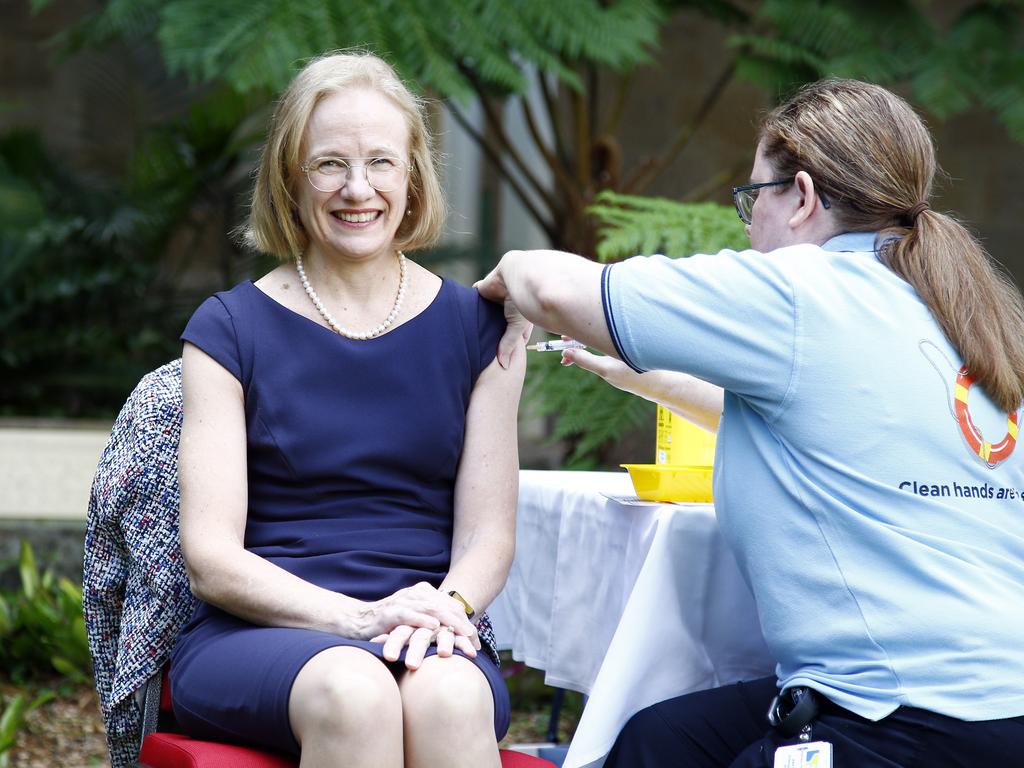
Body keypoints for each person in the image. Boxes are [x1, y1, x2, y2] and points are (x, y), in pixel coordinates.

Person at [478, 79, 1024, 766]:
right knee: (659, 742)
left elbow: (558, 290)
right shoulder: (960, 318)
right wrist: (637, 373)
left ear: (800, 197)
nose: (748, 223)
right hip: (1001, 701)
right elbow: (820, 427)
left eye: (750, 199)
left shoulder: (801, 289)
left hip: (893, 717)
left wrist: (507, 270)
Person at [169, 51, 525, 768]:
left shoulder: (482, 327)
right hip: (261, 633)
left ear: (414, 175)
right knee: (356, 689)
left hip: (430, 623)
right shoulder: (228, 329)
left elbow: (488, 538)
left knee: (452, 699)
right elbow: (210, 559)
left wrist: (444, 614)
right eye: (329, 163)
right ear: (290, 178)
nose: (357, 189)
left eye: (381, 163)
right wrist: (361, 619)